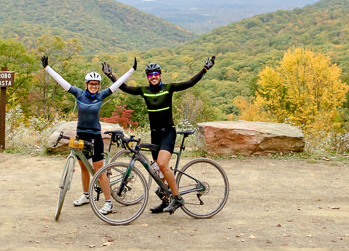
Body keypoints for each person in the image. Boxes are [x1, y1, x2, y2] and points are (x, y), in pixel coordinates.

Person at [102, 54, 217, 214]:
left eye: (156, 74)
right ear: (148, 77)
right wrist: (110, 75)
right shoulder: (144, 91)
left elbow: (189, 83)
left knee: (162, 164)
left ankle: (177, 198)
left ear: (160, 75)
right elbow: (125, 88)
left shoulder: (168, 89)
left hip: (168, 133)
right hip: (155, 134)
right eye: (150, 75)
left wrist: (205, 69)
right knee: (156, 169)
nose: (153, 77)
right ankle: (165, 199)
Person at [42, 55, 136, 214]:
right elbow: (62, 81)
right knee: (84, 167)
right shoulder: (79, 94)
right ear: (86, 84)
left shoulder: (101, 95)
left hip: (95, 138)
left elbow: (118, 84)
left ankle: (108, 202)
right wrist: (47, 68)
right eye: (92, 84)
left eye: (97, 84)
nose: (94, 86)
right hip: (81, 136)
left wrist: (132, 70)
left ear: (99, 86)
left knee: (99, 170)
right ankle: (86, 195)